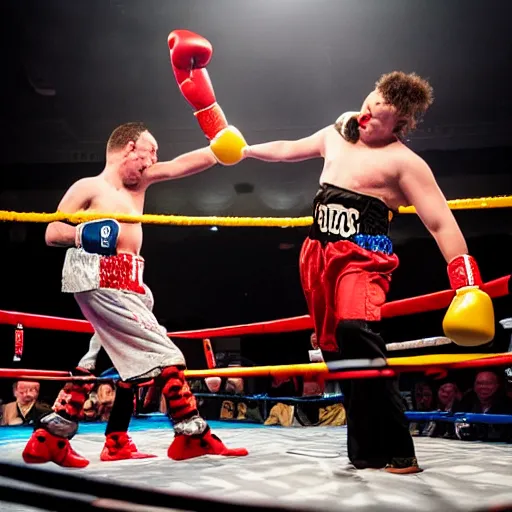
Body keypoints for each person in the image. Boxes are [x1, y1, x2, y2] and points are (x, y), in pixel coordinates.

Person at [243, 71, 495, 474]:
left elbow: (441, 223)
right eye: (370, 101)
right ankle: (366, 452)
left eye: (379, 113)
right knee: (336, 354)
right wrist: (246, 150)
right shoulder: (338, 133)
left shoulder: (405, 163)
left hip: (362, 256)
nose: (368, 112)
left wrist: (466, 284)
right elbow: (291, 147)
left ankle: (401, 451)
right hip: (317, 253)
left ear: (400, 124)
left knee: (355, 332)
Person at [22, 31, 249, 468]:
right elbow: (50, 231)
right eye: (150, 151)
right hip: (99, 276)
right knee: (166, 355)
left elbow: (183, 165)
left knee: (95, 360)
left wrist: (220, 144)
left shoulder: (140, 182)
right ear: (130, 148)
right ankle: (191, 434)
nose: (154, 158)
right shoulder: (89, 187)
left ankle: (50, 439)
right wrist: (82, 236)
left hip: (130, 281)